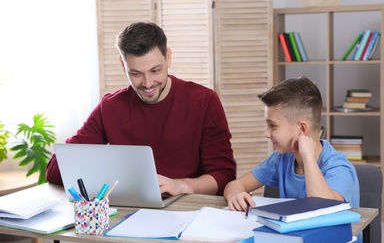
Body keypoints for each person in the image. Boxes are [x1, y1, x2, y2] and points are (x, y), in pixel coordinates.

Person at [46, 22, 236, 196]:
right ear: (123, 65)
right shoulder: (110, 107)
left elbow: (224, 175)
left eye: (155, 71)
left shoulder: (204, 101)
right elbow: (55, 168)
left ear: (168, 57)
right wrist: (105, 172)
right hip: (130, 211)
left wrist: (183, 185)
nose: (147, 83)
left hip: (189, 208)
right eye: (136, 73)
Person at [224, 76, 360, 210]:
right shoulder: (282, 158)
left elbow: (323, 209)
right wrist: (235, 195)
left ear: (302, 128)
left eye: (273, 126)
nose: (266, 133)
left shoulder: (338, 168)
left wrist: (308, 157)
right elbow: (236, 184)